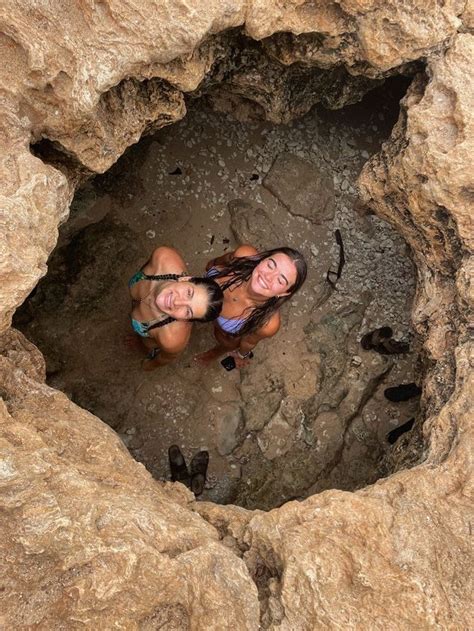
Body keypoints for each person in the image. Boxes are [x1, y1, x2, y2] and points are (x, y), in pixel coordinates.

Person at [195, 245, 307, 368]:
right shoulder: (243, 256)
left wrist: (240, 355)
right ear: (262, 259)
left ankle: (213, 354)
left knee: (227, 342)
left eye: (280, 280)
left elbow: (248, 341)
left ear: (284, 293)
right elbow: (217, 262)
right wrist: (211, 265)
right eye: (270, 265)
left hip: (222, 332)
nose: (268, 277)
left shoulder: (268, 324)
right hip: (196, 301)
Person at [128, 246, 223, 370]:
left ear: (187, 320)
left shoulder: (171, 339)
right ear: (185, 279)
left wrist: (150, 365)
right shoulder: (163, 257)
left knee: (147, 344)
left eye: (188, 311)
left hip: (151, 335)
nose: (177, 302)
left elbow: (165, 358)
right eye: (189, 293)